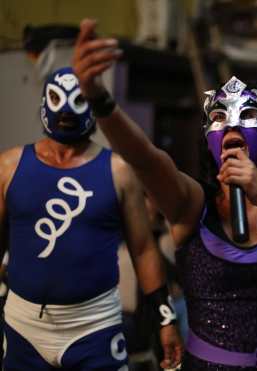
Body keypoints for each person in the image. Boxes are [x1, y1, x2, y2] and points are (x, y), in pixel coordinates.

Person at [72, 18, 257, 371]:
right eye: (219, 117)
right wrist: (99, 99)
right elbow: (146, 159)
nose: (231, 125)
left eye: (246, 115)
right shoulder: (192, 203)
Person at [0, 66, 182, 370]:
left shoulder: (119, 171)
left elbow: (143, 249)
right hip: (24, 324)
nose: (68, 113)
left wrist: (166, 319)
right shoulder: (8, 166)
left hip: (94, 325)